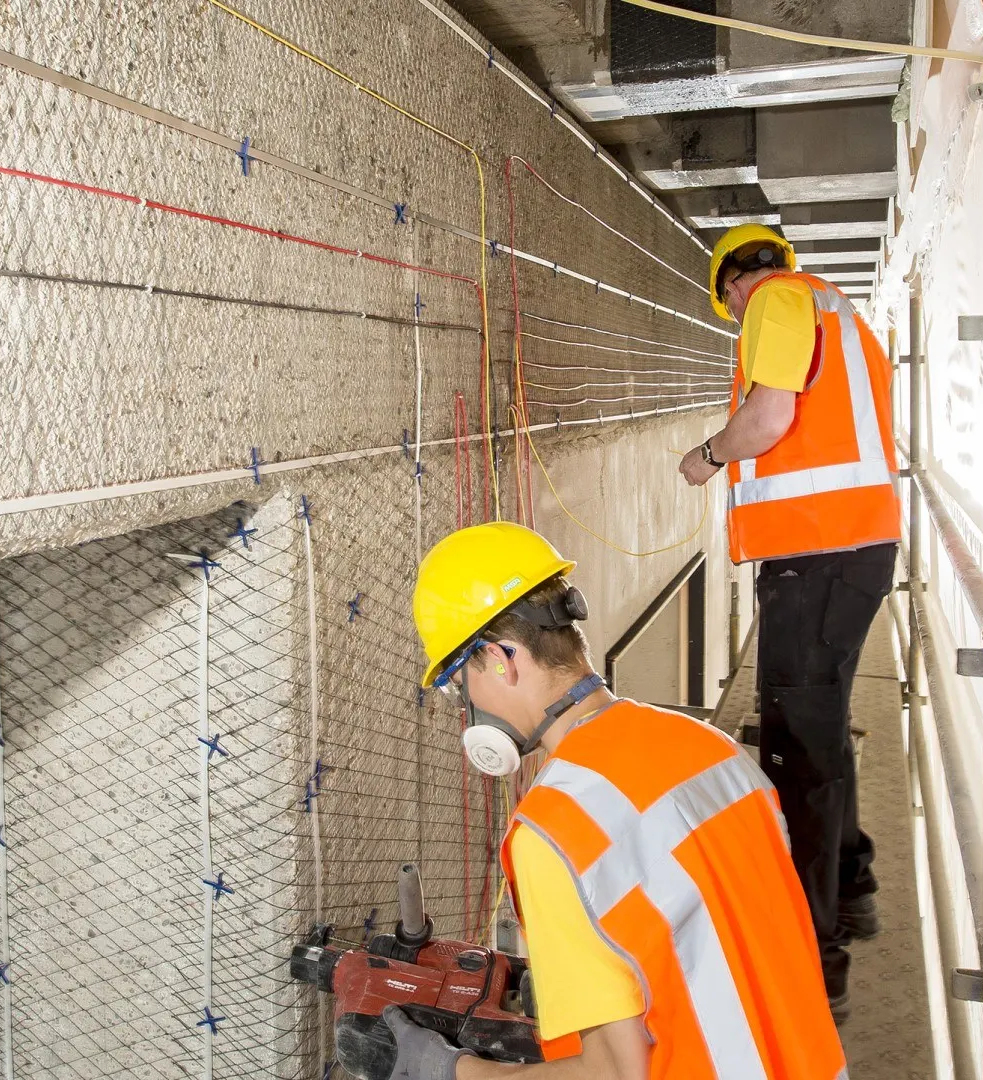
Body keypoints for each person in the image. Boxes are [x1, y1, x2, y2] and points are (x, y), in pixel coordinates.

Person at [377, 521, 846, 1080]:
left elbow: (616, 1073)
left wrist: (456, 1071)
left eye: (459, 681)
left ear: (500, 660)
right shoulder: (713, 749)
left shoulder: (553, 832)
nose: (466, 703)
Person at [675, 223, 901, 1016]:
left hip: (817, 555)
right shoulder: (837, 310)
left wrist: (707, 456)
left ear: (732, 285)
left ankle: (814, 960)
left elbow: (768, 421)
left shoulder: (776, 304)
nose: (737, 313)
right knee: (823, 727)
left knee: (797, 754)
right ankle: (855, 882)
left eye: (728, 302)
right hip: (854, 550)